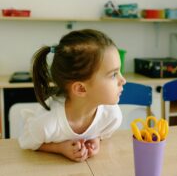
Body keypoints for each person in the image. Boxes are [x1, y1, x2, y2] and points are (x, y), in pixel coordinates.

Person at [18, 29, 126, 162]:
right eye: (113, 74)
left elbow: (101, 135)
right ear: (80, 88)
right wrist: (60, 148)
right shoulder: (46, 124)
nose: (123, 80)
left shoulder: (112, 116)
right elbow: (26, 143)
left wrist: (95, 140)